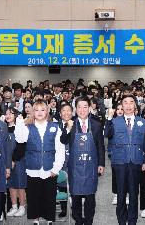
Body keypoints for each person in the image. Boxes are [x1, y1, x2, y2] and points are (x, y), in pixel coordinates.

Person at [15, 100, 67, 224]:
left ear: (47, 112)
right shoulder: (27, 127)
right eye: (36, 110)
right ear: (33, 112)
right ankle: (36, 219)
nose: (39, 112)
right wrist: (20, 122)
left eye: (42, 110)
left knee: (49, 195)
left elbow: (60, 150)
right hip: (33, 168)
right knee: (34, 196)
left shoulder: (54, 127)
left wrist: (56, 168)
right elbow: (20, 139)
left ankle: (49, 219)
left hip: (50, 168)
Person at [61, 96, 105, 225]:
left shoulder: (96, 124)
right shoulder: (71, 123)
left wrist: (101, 163)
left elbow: (100, 146)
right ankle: (78, 221)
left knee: (90, 197)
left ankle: (89, 221)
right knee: (75, 197)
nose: (82, 109)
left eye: (85, 106)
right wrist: (68, 128)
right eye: (79, 107)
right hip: (75, 167)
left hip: (91, 166)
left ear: (90, 108)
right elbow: (63, 140)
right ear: (75, 109)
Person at [105, 95, 145, 225]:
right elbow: (107, 134)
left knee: (134, 194)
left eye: (131, 102)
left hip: (136, 161)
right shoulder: (114, 121)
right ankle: (122, 221)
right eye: (125, 103)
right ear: (121, 106)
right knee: (121, 194)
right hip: (120, 162)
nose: (128, 105)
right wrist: (108, 117)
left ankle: (132, 220)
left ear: (135, 105)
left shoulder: (142, 121)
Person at [6, 108, 27, 217]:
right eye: (6, 113)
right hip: (7, 161)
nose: (8, 115)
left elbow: (21, 146)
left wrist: (13, 160)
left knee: (20, 184)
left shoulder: (19, 127)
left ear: (15, 115)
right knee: (11, 184)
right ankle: (14, 206)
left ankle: (22, 206)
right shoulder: (3, 129)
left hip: (19, 160)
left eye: (11, 113)